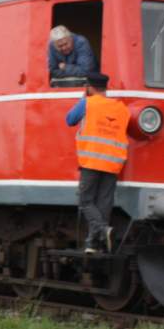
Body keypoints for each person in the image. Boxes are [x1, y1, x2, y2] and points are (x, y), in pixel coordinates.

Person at [65, 72, 129, 253]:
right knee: (104, 202)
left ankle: (102, 230)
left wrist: (83, 100)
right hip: (113, 163)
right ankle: (92, 243)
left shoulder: (88, 103)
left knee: (85, 201)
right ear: (106, 87)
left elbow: (69, 120)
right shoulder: (121, 108)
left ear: (89, 87)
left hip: (92, 160)